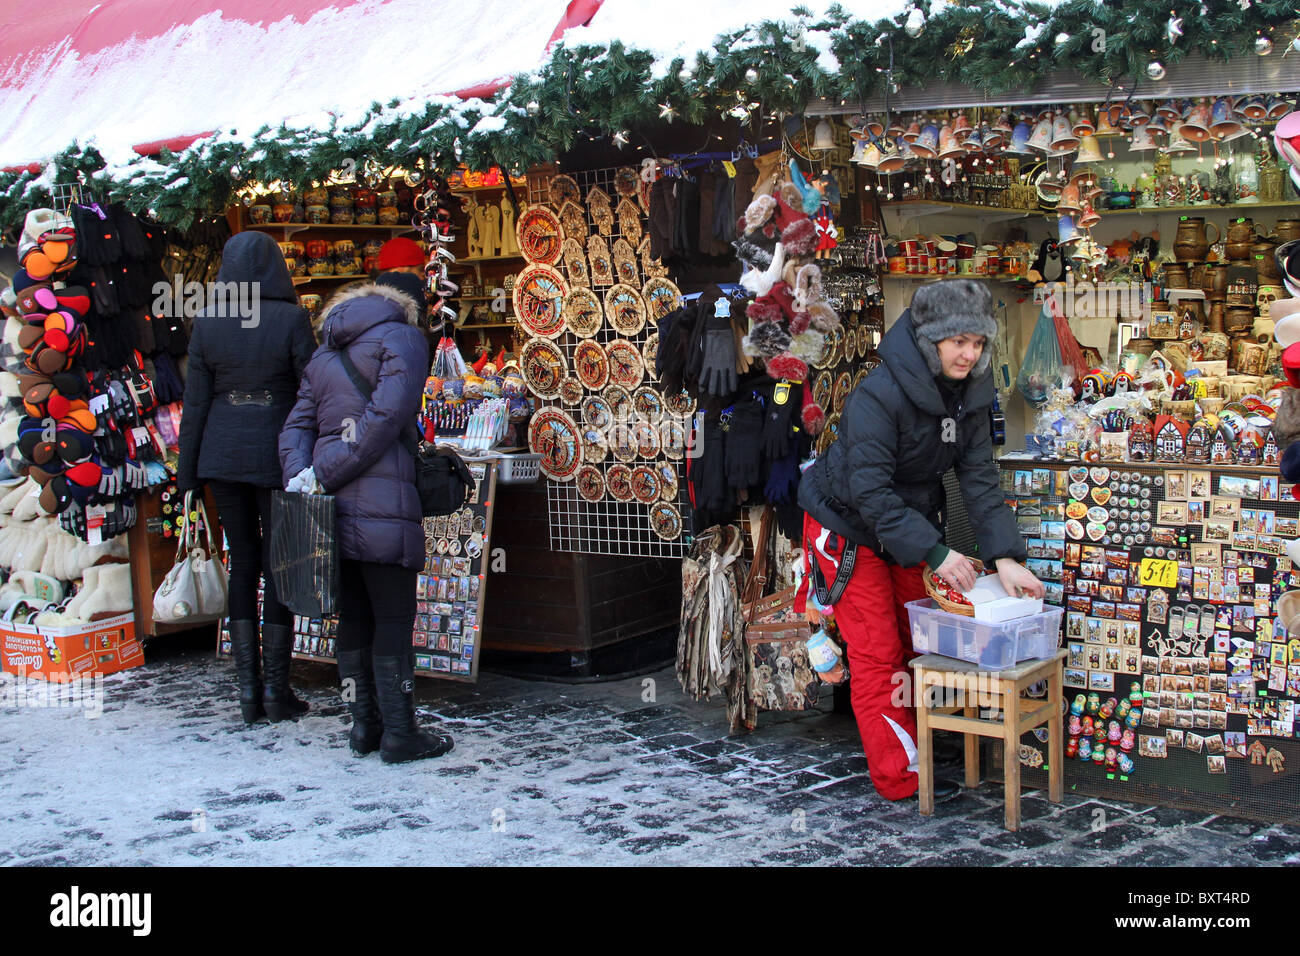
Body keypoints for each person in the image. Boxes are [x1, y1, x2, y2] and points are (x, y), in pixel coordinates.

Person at [797, 278, 1043, 801]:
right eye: (958, 342)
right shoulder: (878, 394)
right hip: (846, 523)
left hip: (905, 524)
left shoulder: (973, 393)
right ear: (931, 339)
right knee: (878, 651)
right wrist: (936, 551)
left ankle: (923, 741)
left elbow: (978, 476)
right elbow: (868, 490)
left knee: (921, 639)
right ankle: (900, 774)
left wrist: (1005, 556)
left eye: (977, 342)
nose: (969, 353)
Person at [279, 282, 454, 763]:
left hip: (329, 506)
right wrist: (332, 467)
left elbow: (297, 426)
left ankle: (364, 728)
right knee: (393, 618)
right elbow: (386, 415)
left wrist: (304, 476)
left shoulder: (323, 355)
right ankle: (400, 732)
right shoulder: (402, 339)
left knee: (353, 616)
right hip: (383, 495)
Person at [177, 231, 316, 725]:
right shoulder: (291, 318)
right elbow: (310, 392)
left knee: (243, 563)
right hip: (279, 452)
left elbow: (195, 406)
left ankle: (247, 692)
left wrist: (187, 474)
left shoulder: (208, 324)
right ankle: (278, 692)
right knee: (281, 564)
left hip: (222, 454)